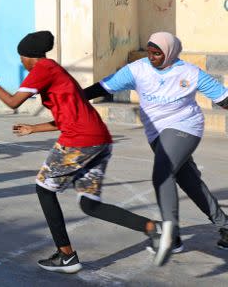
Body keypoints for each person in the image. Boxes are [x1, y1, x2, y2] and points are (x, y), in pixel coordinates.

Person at [0, 30, 160, 274]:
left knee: (44, 188)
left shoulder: (42, 69)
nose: (21, 63)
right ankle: (153, 228)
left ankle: (66, 255)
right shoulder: (53, 71)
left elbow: (14, 102)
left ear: (29, 57)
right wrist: (33, 128)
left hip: (79, 141)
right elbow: (67, 118)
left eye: (21, 58)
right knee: (90, 204)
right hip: (98, 139)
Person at [84, 31, 228, 266]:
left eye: (158, 53)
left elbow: (223, 99)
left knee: (162, 174)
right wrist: (73, 97)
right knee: (188, 179)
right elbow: (102, 88)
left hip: (185, 127)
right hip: (155, 132)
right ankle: (225, 225)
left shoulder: (189, 72)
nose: (152, 57)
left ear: (170, 53)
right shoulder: (137, 69)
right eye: (150, 52)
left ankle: (170, 234)